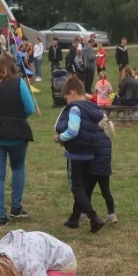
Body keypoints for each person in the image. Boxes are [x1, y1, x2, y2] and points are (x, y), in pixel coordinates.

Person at [0, 54, 36, 226]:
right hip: (16, 134)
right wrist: (17, 116)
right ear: (13, 67)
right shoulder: (19, 83)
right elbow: (30, 108)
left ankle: (1, 216)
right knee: (18, 167)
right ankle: (16, 207)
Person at [54, 76, 106, 233]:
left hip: (75, 153)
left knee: (76, 186)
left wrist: (59, 138)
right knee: (82, 186)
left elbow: (72, 131)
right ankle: (74, 218)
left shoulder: (75, 108)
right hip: (89, 152)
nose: (67, 101)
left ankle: (94, 217)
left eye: (66, 97)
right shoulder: (93, 108)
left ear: (72, 92)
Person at [68, 104, 117, 226]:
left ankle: (85, 211)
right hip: (105, 169)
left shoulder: (93, 136)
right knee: (106, 191)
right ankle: (112, 213)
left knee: (86, 190)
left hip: (93, 169)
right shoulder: (107, 137)